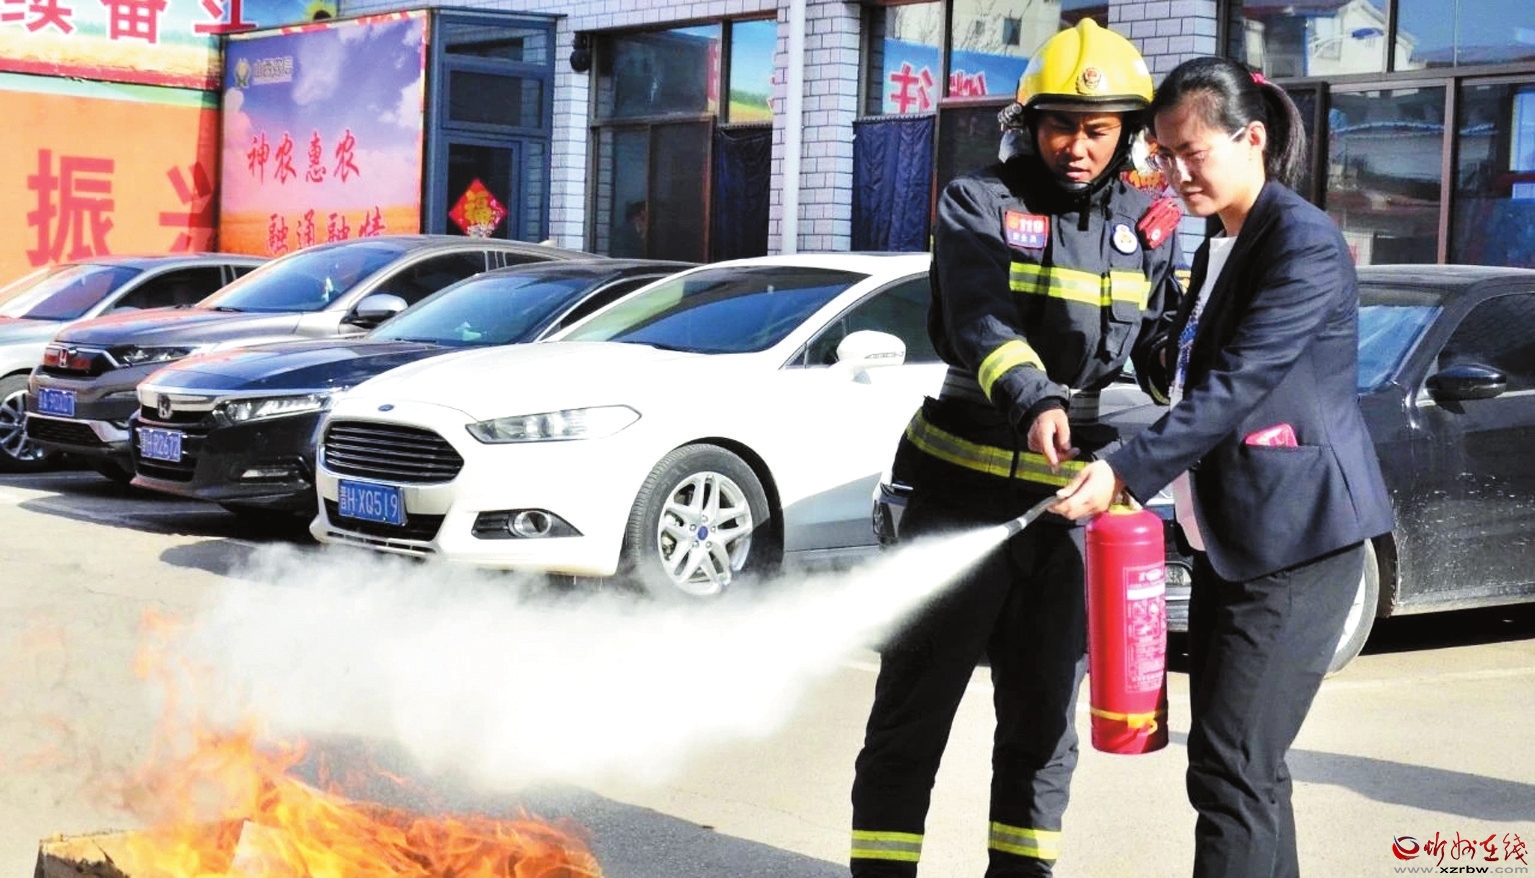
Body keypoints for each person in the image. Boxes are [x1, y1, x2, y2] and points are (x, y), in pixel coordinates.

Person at [849, 19, 1184, 878]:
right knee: (911, 714)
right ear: (1028, 122)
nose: (1077, 147)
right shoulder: (978, 201)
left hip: (1066, 510)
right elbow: (978, 317)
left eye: (1099, 129)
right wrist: (1033, 396)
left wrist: (1186, 362)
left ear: (1127, 132)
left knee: (1042, 725)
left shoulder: (1151, 223)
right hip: (957, 495)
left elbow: (1154, 346)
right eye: (1060, 126)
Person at [1049, 57, 1394, 878]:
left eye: (1191, 152)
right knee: (1245, 771)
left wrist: (1125, 471)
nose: (1176, 173)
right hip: (1230, 542)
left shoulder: (1301, 243)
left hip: (1296, 544)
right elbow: (1179, 371)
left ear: (1252, 139)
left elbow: (1238, 385)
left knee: (1228, 769)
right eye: (1163, 155)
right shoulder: (1217, 245)